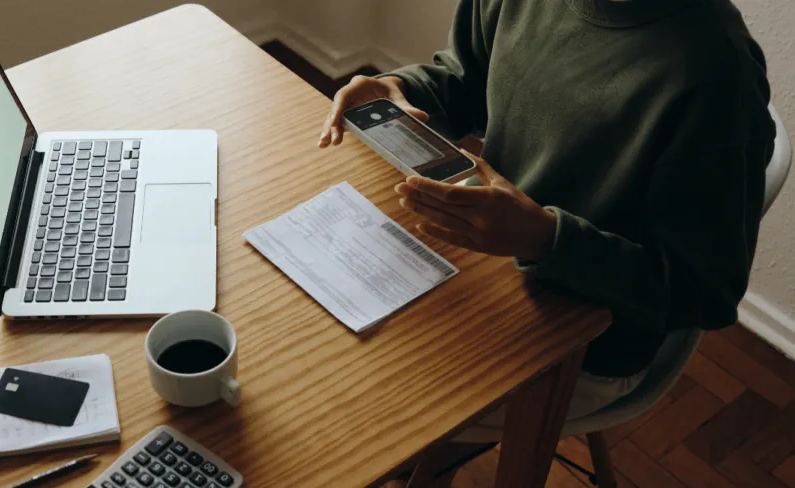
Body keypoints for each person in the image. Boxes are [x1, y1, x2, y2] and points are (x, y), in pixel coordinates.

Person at [320, 0, 775, 424]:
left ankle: (433, 472)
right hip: (488, 263)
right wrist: (401, 89)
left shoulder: (719, 76)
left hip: (587, 342)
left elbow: (705, 293)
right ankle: (432, 472)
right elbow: (466, 76)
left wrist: (545, 239)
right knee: (324, 340)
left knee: (365, 402)